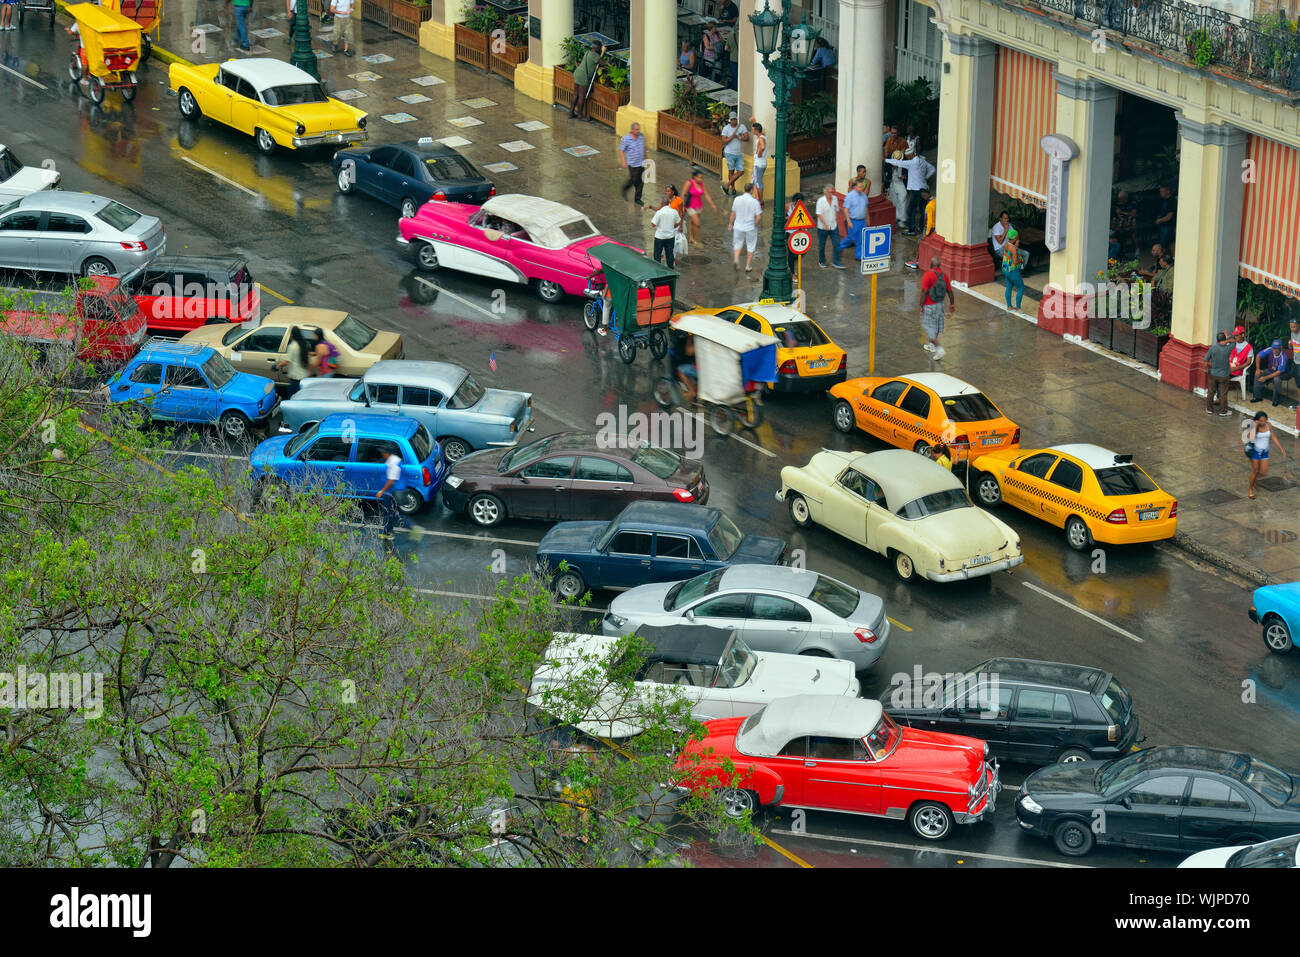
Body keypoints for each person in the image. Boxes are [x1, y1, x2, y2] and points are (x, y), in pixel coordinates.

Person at [885, 147, 935, 236]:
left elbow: (898, 162)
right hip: (924, 188)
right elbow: (932, 169)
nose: (907, 158)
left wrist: (886, 160)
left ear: (911, 155)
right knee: (923, 209)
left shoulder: (912, 162)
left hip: (916, 190)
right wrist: (925, 178)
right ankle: (921, 227)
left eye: (908, 156)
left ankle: (911, 230)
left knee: (910, 211)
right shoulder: (922, 161)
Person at [919, 256, 955, 360]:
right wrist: (952, 304)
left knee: (928, 326)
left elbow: (924, 292)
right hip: (941, 304)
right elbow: (950, 291)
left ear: (931, 265)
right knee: (936, 325)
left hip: (929, 305)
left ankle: (939, 349)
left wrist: (921, 306)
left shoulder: (927, 275)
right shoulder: (944, 275)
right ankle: (932, 346)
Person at [1245, 410, 1286, 498]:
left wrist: (1281, 448)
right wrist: (1255, 427)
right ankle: (1250, 489)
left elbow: (1273, 436)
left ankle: (1254, 480)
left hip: (1265, 451)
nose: (1263, 422)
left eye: (1264, 420)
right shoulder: (1254, 426)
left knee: (1263, 472)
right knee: (1255, 471)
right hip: (1255, 451)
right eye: (1261, 421)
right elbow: (1250, 438)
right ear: (1257, 420)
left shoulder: (1268, 425)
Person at [374, 443, 408, 539]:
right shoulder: (395, 459)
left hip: (392, 492)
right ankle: (388, 532)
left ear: (387, 453)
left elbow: (391, 480)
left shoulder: (393, 463)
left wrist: (381, 491)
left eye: (383, 452)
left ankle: (389, 533)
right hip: (395, 490)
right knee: (392, 513)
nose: (382, 454)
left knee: (388, 512)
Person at [729, 183, 763, 272]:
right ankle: (748, 265)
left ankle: (736, 259)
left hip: (738, 226)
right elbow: (759, 217)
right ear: (751, 190)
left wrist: (730, 224)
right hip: (750, 227)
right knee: (751, 245)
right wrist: (755, 224)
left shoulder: (737, 199)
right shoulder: (755, 202)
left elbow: (733, 214)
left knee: (737, 243)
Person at [682, 169, 717, 243]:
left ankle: (691, 237)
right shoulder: (689, 183)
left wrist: (712, 205)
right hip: (690, 206)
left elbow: (706, 194)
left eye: (701, 178)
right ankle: (697, 240)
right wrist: (682, 206)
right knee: (697, 223)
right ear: (694, 177)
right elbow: (683, 194)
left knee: (693, 222)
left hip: (699, 205)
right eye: (699, 177)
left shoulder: (701, 184)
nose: (700, 179)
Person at [649, 188, 681, 269]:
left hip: (660, 237)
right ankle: (670, 270)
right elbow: (678, 222)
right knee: (669, 254)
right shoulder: (674, 212)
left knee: (657, 255)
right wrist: (673, 226)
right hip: (670, 237)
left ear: (661, 203)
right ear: (669, 202)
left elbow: (653, 224)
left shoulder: (659, 213)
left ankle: (658, 270)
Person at [570, 42, 603, 121]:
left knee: (575, 94)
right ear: (597, 48)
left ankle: (570, 113)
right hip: (583, 76)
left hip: (577, 73)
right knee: (581, 96)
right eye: (600, 48)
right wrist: (603, 52)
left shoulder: (587, 52)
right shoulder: (595, 55)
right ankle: (579, 115)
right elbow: (602, 62)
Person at [277, 326, 313, 396]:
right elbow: (307, 358)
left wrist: (278, 366)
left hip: (295, 376)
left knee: (292, 394)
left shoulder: (292, 346)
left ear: (292, 335)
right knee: (302, 394)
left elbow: (287, 361)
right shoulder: (305, 343)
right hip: (304, 375)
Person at [1204, 330, 1233, 416]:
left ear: (1217, 340)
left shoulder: (1213, 348)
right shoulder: (1228, 348)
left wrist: (1206, 369)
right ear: (1224, 340)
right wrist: (1228, 339)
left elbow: (1205, 360)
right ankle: (1222, 411)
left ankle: (1209, 409)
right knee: (1223, 394)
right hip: (1224, 375)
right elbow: (1234, 341)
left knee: (1211, 392)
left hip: (1213, 374)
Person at [1253, 338, 1290, 406]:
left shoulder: (1283, 357)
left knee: (1277, 380)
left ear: (1281, 348)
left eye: (1277, 349)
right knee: (1258, 374)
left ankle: (1275, 400)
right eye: (1273, 348)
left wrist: (1266, 378)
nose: (1275, 350)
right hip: (1271, 370)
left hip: (1283, 373)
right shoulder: (1270, 349)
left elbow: (1279, 372)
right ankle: (1257, 397)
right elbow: (1258, 355)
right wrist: (1257, 369)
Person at [815, 183, 844, 269]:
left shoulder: (835, 199)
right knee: (822, 245)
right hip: (822, 228)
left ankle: (836, 262)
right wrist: (825, 224)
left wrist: (843, 215)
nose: (831, 194)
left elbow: (836, 209)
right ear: (825, 192)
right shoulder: (821, 201)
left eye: (832, 192)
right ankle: (821, 261)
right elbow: (818, 214)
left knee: (837, 244)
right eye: (829, 192)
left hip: (833, 226)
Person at [720, 112, 748, 196]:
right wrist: (733, 136)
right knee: (731, 171)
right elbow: (724, 140)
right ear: (729, 120)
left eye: (735, 119)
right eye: (732, 120)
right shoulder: (726, 128)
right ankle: (733, 189)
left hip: (738, 153)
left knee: (741, 171)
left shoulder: (742, 127)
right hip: (729, 153)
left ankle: (727, 185)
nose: (733, 121)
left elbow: (747, 138)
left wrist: (739, 137)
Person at [619, 122, 646, 206]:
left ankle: (637, 199)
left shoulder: (641, 136)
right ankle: (624, 189)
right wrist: (623, 161)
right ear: (632, 130)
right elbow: (621, 150)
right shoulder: (627, 139)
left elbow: (644, 147)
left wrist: (646, 158)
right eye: (636, 129)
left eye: (639, 129)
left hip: (641, 162)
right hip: (632, 164)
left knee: (640, 182)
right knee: (633, 179)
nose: (638, 131)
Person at [839, 180, 868, 258]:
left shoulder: (864, 196)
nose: (862, 188)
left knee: (861, 239)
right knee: (851, 238)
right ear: (855, 187)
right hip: (853, 221)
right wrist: (849, 222)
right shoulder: (850, 196)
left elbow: (866, 208)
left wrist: (868, 219)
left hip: (862, 221)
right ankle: (839, 247)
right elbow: (845, 209)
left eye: (862, 186)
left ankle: (859, 256)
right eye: (860, 186)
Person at [670, 329, 698, 403]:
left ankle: (691, 392)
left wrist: (690, 338)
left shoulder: (700, 343)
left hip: (701, 370)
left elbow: (688, 351)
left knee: (680, 370)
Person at [1002, 228, 1026, 310]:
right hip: (1013, 271)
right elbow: (1015, 262)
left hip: (1005, 269)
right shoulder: (1014, 249)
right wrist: (1021, 260)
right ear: (1015, 238)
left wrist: (1016, 247)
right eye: (1017, 236)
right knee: (1021, 288)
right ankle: (1018, 308)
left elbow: (1008, 255)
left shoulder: (1006, 244)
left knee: (1009, 286)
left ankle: (1009, 306)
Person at [1111, 190, 1138, 258]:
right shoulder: (1118, 203)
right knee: (1117, 227)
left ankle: (1137, 248)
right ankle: (1121, 250)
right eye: (1119, 199)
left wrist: (1122, 212)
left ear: (1126, 198)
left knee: (1132, 231)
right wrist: (1120, 216)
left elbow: (1133, 214)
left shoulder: (1133, 202)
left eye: (1121, 199)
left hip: (1131, 219)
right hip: (1121, 220)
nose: (1120, 200)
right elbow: (1118, 214)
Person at [1229, 325, 1255, 394]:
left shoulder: (1249, 347)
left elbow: (1248, 362)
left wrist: (1236, 368)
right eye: (1235, 335)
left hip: (1238, 370)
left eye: (1237, 335)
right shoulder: (1234, 343)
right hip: (1229, 367)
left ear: (1243, 335)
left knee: (1221, 376)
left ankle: (1219, 397)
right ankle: (1217, 396)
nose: (1235, 337)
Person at [749, 122, 768, 205]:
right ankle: (758, 198)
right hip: (760, 163)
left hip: (759, 163)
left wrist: (759, 152)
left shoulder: (761, 138)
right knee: (754, 181)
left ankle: (760, 201)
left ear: (757, 130)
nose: (752, 131)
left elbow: (763, 146)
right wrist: (754, 121)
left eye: (753, 130)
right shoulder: (762, 136)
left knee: (758, 182)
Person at [1154, 183, 1176, 248]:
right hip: (1164, 225)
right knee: (1170, 243)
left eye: (1162, 191)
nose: (1160, 193)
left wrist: (1159, 220)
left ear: (1168, 191)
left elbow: (1169, 216)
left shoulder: (1172, 201)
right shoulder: (1163, 200)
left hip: (1170, 226)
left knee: (1163, 244)